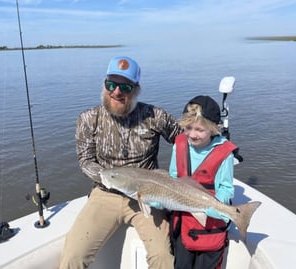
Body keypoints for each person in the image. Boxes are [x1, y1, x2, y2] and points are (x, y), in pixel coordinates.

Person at [59, 56, 181, 269]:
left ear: (136, 89)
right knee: (73, 256)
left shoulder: (155, 116)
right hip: (105, 194)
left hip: (148, 195)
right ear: (104, 84)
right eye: (111, 84)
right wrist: (112, 179)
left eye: (125, 86)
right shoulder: (88, 119)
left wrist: (212, 138)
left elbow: (184, 140)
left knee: (162, 257)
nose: (117, 92)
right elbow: (86, 160)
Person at [169, 95, 238, 269]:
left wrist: (209, 208)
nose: (192, 134)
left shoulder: (225, 154)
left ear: (215, 129)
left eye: (200, 130)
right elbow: (173, 178)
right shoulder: (179, 145)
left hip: (212, 223)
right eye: (188, 128)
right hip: (184, 221)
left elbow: (226, 189)